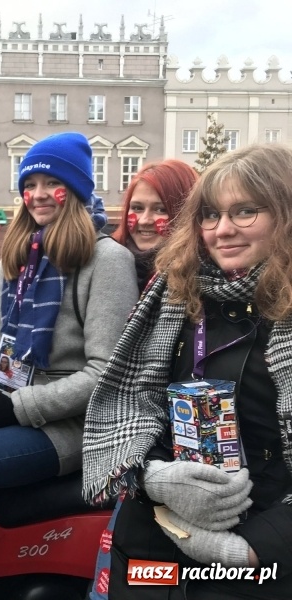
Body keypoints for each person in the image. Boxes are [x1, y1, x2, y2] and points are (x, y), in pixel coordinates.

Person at [0, 132, 138, 599]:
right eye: (30, 183)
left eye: (52, 182)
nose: (39, 194)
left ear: (76, 190)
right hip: (22, 400)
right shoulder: (17, 256)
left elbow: (105, 374)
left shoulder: (107, 260)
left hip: (75, 426)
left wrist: (13, 408)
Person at [82, 143, 292, 599]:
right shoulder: (174, 292)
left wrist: (250, 551)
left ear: (284, 215)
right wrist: (151, 475)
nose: (223, 230)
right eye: (211, 215)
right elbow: (133, 403)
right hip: (153, 539)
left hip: (255, 559)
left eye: (246, 211)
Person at [111, 159, 198, 290]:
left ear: (186, 214)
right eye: (137, 208)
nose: (144, 220)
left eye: (160, 209)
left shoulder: (201, 278)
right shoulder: (107, 262)